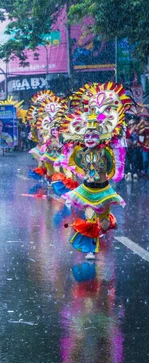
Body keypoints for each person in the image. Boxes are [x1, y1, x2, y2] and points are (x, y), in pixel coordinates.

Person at [61, 82, 130, 259]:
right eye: (87, 136)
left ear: (100, 137)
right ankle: (91, 249)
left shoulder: (105, 151)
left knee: (104, 223)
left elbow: (111, 167)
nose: (90, 139)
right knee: (90, 217)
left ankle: (107, 223)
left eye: (93, 135)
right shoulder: (80, 152)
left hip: (103, 190)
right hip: (87, 190)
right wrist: (70, 148)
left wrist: (117, 154)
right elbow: (72, 161)